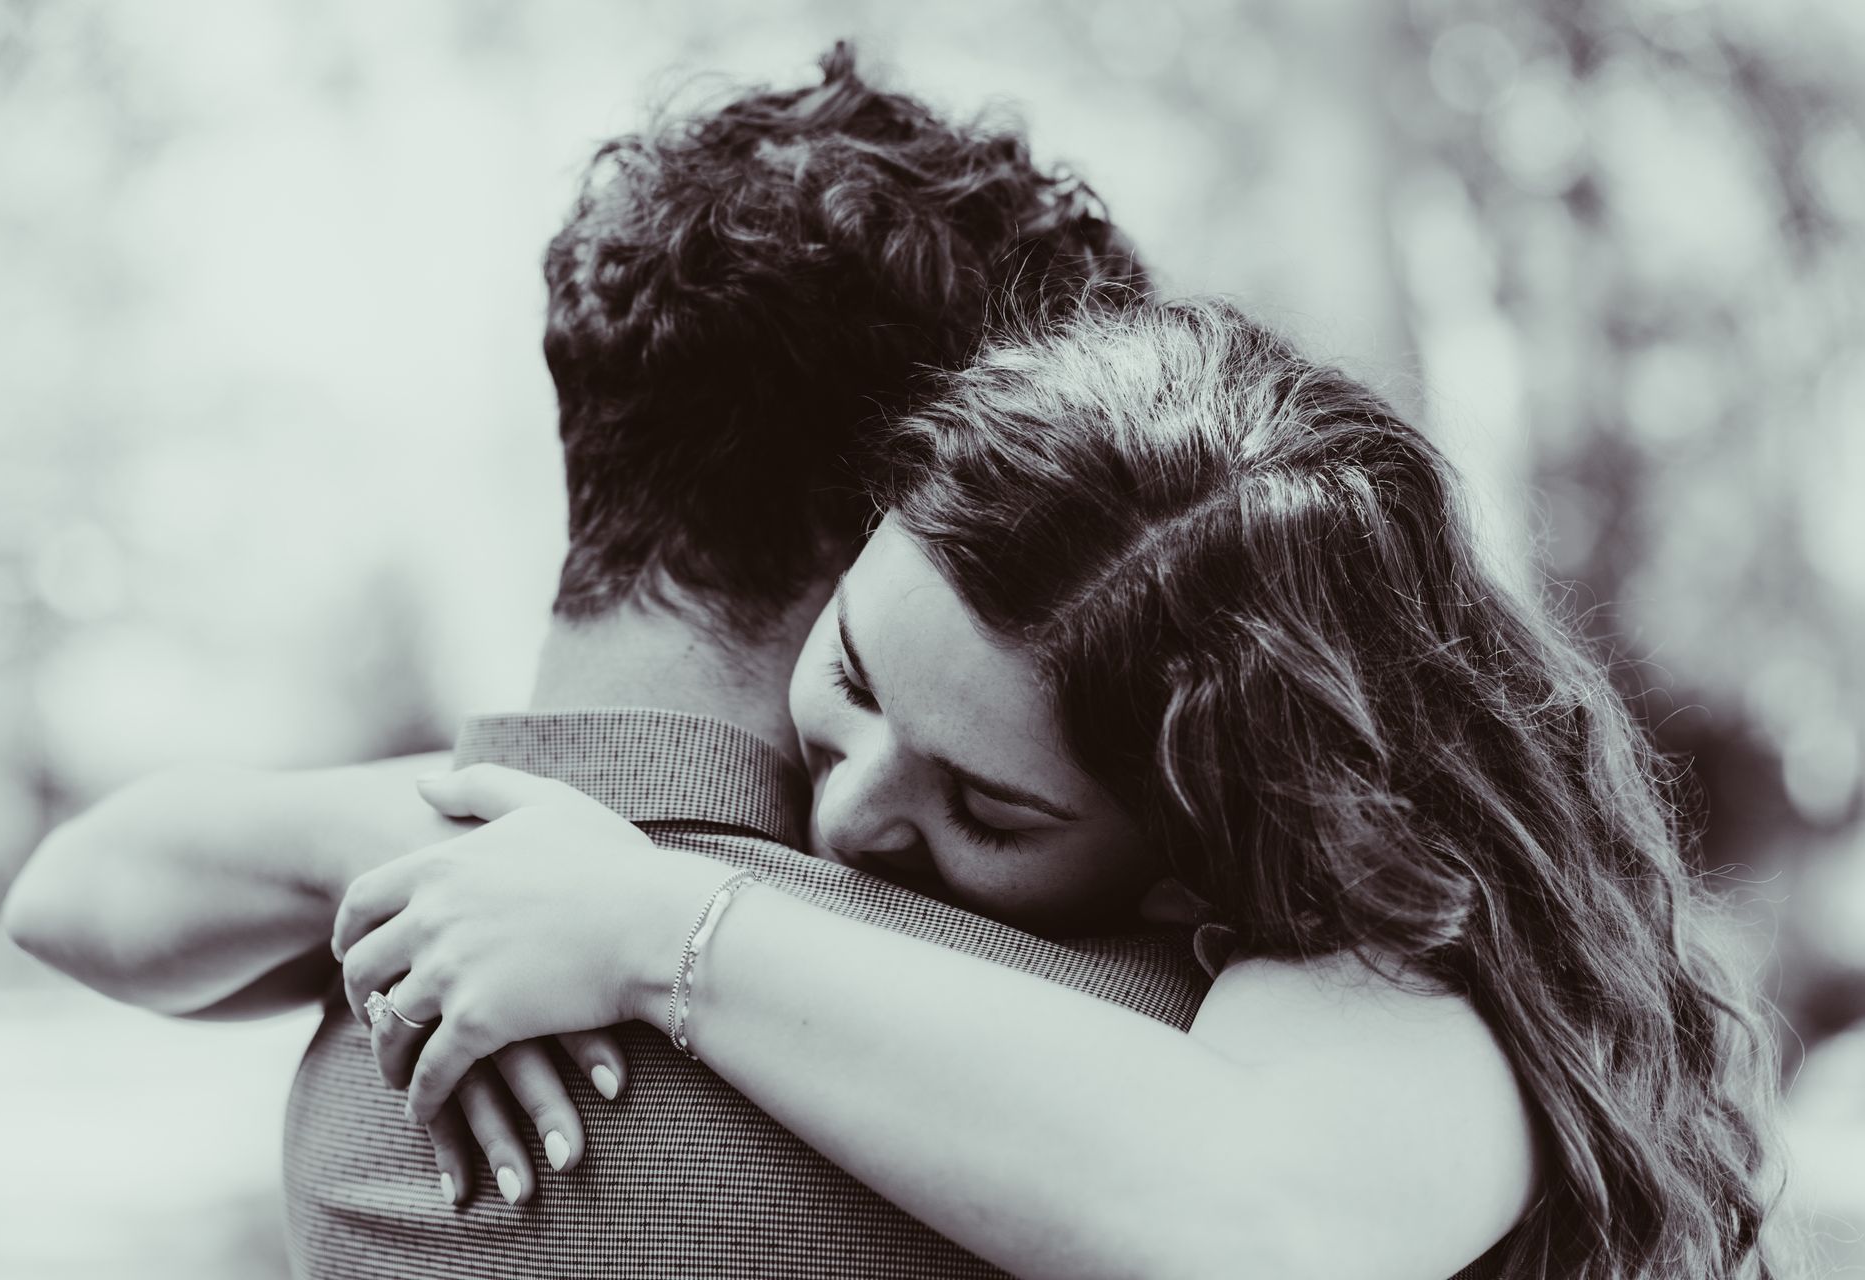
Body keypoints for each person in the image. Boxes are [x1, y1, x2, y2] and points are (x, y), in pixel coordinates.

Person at [3, 45, 1187, 1280]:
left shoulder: (397, 955)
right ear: (911, 522)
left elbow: (67, 903)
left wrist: (397, 826)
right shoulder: (1117, 1033)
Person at [329, 298, 1786, 1280]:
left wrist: (658, 931)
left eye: (991, 813)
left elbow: (1275, 1227)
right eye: (854, 674)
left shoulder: (1412, 1008)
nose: (844, 818)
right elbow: (116, 886)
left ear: (1213, 850)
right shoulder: (859, 811)